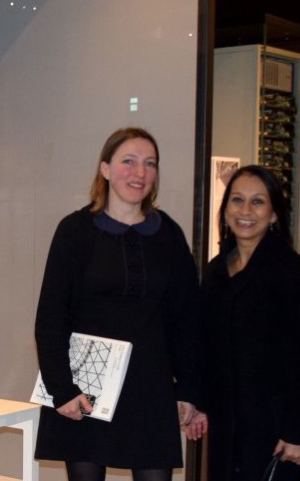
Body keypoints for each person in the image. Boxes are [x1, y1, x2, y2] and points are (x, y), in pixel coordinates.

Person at [34, 127, 206, 481]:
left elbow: (188, 320)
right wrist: (61, 389)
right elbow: (51, 316)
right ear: (105, 169)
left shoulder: (169, 235)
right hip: (86, 388)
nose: (139, 172)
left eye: (150, 163)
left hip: (151, 389)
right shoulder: (75, 231)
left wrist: (189, 389)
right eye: (128, 161)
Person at [200, 165, 300, 481]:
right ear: (225, 209)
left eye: (258, 202)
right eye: (237, 200)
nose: (245, 211)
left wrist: (298, 430)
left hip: (278, 427)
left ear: (274, 214)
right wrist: (196, 399)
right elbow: (207, 347)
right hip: (228, 425)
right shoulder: (215, 272)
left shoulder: (292, 273)